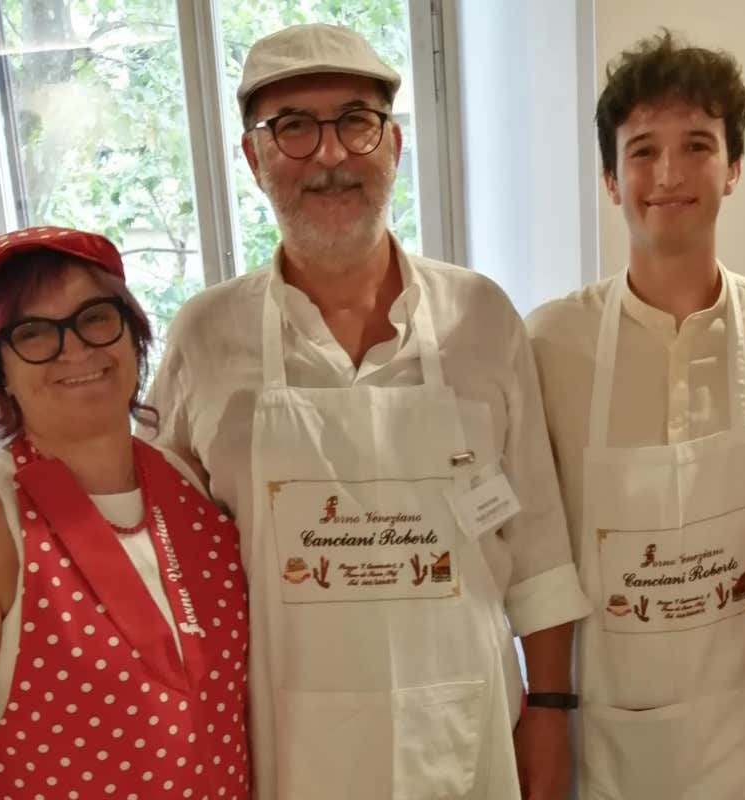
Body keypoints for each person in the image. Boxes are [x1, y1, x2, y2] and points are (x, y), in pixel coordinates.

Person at [144, 23, 591, 800]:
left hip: (465, 727)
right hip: (286, 743)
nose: (329, 155)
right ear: (252, 158)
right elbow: (160, 558)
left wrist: (549, 711)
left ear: (394, 143)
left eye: (356, 120)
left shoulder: (480, 317)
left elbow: (539, 543)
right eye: (293, 127)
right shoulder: (205, 337)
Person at [526, 30, 745, 799]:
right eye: (641, 152)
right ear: (608, 177)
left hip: (742, 736)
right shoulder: (548, 343)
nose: (668, 174)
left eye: (697, 145)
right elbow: (532, 561)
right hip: (599, 734)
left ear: (733, 169)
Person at [0, 226, 250, 799]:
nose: (75, 349)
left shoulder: (192, 484)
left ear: (133, 334)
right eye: (34, 333)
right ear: (0, 371)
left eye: (95, 317)